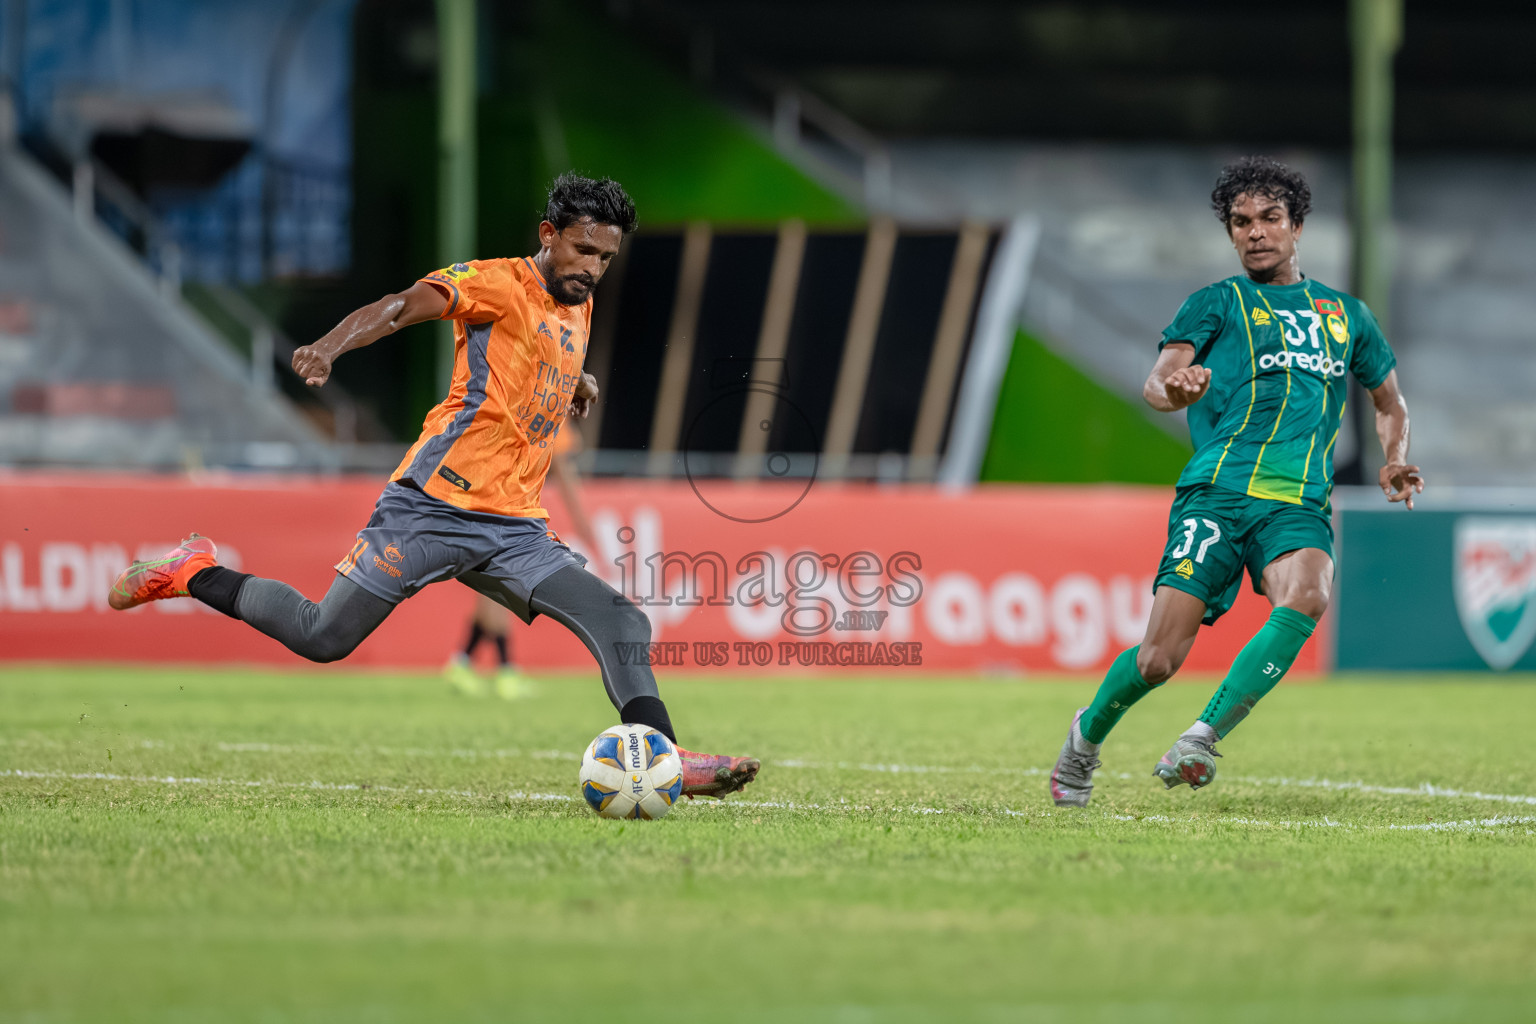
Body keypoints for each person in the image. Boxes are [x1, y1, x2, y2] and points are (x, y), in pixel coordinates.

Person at [109, 173, 760, 800]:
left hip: (514, 528)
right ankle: (192, 570)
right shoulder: (494, 283)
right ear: (548, 234)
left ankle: (665, 761)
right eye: (582, 248)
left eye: (605, 257)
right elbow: (399, 307)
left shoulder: (577, 302)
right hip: (429, 508)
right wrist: (331, 347)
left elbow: (543, 353)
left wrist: (578, 382)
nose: (592, 266)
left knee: (621, 619)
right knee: (322, 637)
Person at [1049, 156, 1423, 806]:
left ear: (1297, 225)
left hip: (1298, 504)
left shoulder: (1346, 316)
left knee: (1308, 594)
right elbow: (1157, 382)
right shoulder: (1217, 302)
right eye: (1241, 222)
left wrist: (1393, 459)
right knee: (1157, 661)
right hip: (1218, 495)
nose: (1255, 232)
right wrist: (1176, 386)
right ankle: (1085, 738)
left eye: (1269, 218)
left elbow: (1389, 401)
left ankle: (1200, 736)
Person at [446, 426, 595, 700]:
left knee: (491, 588)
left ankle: (463, 663)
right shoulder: (552, 406)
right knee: (500, 584)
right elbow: (563, 468)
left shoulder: (523, 396)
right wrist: (582, 520)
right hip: (500, 504)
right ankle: (504, 671)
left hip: (482, 496)